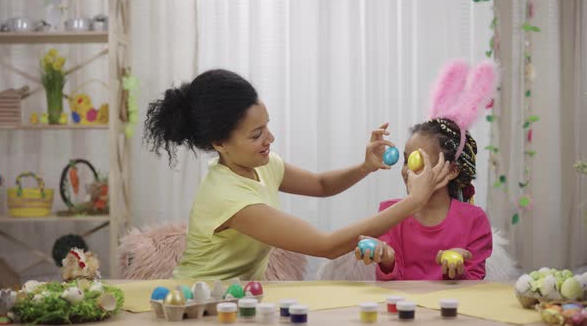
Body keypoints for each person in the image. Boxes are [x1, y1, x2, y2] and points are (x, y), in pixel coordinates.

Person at [144, 69, 450, 280]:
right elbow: (326, 246)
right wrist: (414, 201)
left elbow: (320, 184)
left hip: (236, 299)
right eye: (256, 135)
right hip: (199, 305)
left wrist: (364, 167)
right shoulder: (229, 198)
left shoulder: (262, 166)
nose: (270, 139)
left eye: (267, 126)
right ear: (219, 143)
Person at [354, 59, 497, 280]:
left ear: (451, 171)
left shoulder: (474, 219)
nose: (406, 171)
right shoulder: (389, 213)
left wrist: (458, 272)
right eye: (404, 161)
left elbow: (475, 285)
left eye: (416, 162)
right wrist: (387, 258)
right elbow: (392, 282)